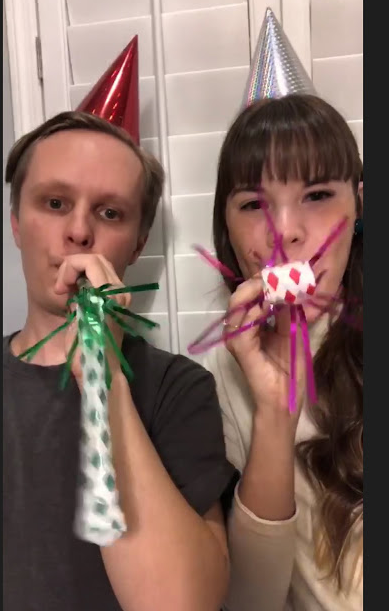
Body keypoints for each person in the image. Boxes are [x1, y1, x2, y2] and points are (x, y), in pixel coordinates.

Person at [3, 111, 237, 611]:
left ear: (137, 244)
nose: (79, 231)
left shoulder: (178, 389)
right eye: (55, 203)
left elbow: (180, 604)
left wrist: (103, 375)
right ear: (16, 222)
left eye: (110, 213)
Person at [203, 94, 363, 610]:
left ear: (360, 205)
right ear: (226, 227)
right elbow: (254, 602)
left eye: (317, 194)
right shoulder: (217, 376)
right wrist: (275, 412)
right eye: (254, 205)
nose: (286, 231)